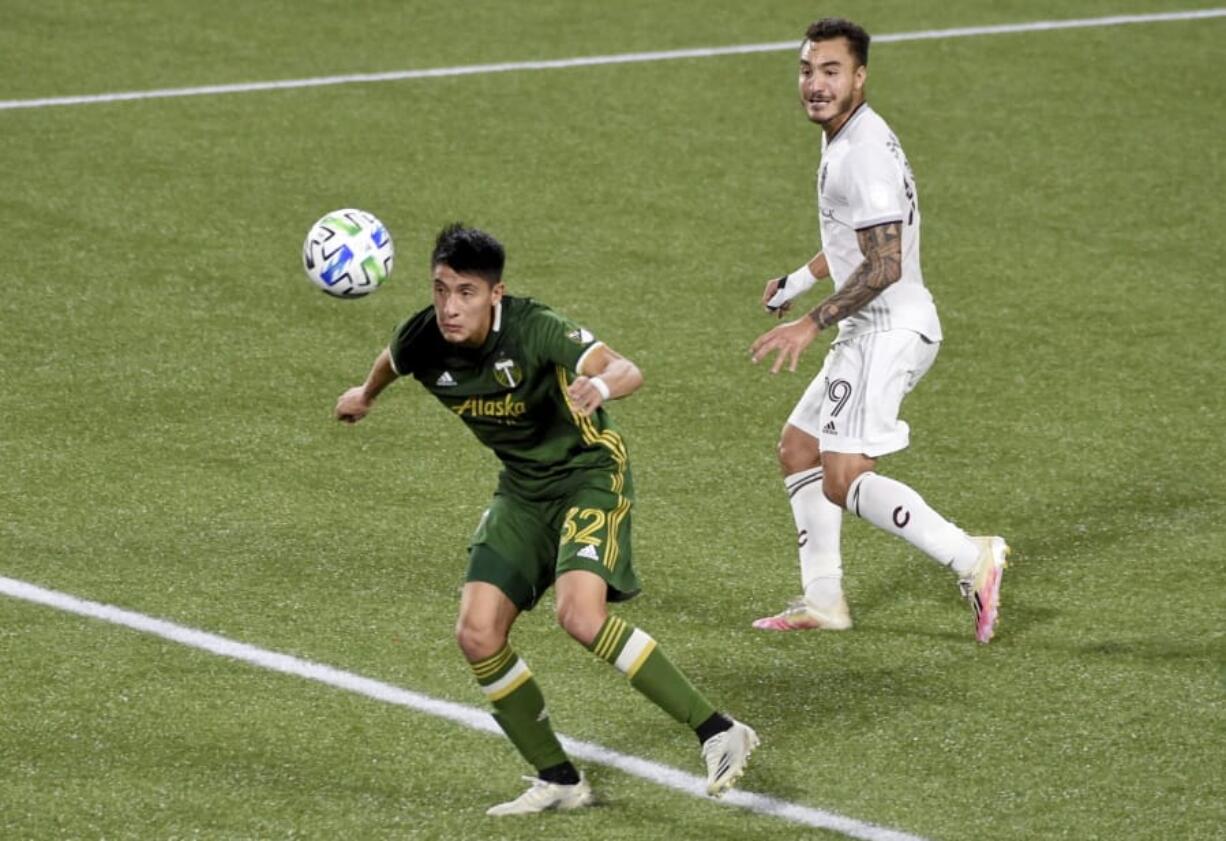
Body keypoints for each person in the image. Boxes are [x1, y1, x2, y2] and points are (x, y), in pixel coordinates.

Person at [335, 223, 758, 815]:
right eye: (440, 290)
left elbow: (626, 366)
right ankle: (558, 778)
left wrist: (602, 385)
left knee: (579, 615)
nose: (450, 307)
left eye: (466, 293)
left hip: (589, 474)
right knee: (477, 632)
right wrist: (365, 392)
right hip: (523, 492)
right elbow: (393, 359)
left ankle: (718, 729)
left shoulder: (536, 327)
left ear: (496, 294)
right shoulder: (424, 336)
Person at [748, 18, 1009, 643]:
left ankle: (971, 556)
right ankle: (824, 600)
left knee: (842, 477)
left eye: (831, 71)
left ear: (859, 77)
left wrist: (810, 323)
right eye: (808, 70)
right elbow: (855, 239)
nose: (815, 83)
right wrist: (799, 280)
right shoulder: (850, 135)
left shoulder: (860, 155)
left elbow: (885, 266)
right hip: (870, 326)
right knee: (798, 448)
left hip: (887, 329)